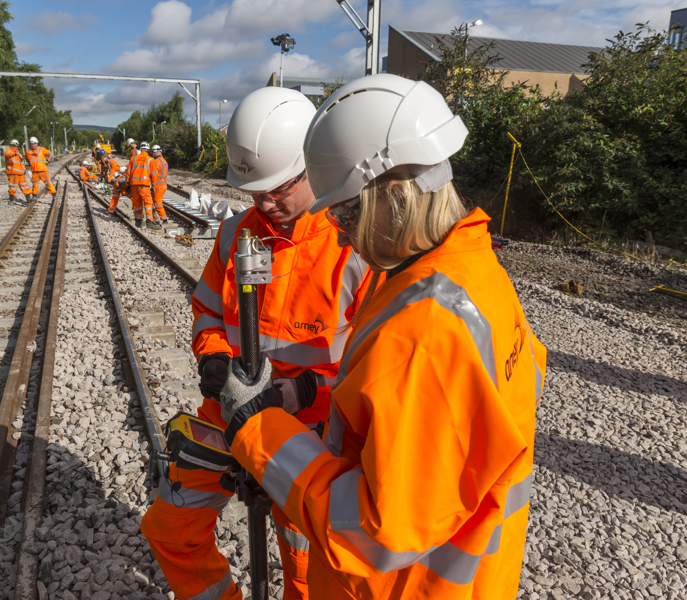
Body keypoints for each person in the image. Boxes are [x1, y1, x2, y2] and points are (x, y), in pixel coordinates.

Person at [216, 74, 548, 599]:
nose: (341, 233)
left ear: (393, 192)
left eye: (345, 214)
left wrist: (256, 429)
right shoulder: (472, 274)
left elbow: (373, 533)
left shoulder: (425, 333)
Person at [140, 87, 375, 600]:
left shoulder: (355, 248)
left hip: (312, 436)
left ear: (314, 166)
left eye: (278, 187)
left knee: (307, 567)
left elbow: (375, 367)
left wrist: (298, 393)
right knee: (169, 529)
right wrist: (214, 358)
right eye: (253, 190)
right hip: (226, 414)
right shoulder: (234, 235)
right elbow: (206, 309)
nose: (264, 202)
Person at [128, 141, 162, 230]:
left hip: (134, 185)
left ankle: (138, 220)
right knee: (148, 203)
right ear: (148, 149)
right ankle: (150, 221)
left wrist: (128, 184)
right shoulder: (151, 160)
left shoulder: (133, 158)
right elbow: (154, 175)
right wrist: (154, 187)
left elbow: (128, 172)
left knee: (137, 203)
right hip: (144, 185)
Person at [150, 144, 169, 225]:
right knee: (154, 201)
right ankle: (153, 216)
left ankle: (164, 219)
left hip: (158, 186)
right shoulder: (164, 160)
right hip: (163, 185)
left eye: (152, 152)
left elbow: (154, 173)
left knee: (158, 204)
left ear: (154, 152)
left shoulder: (157, 161)